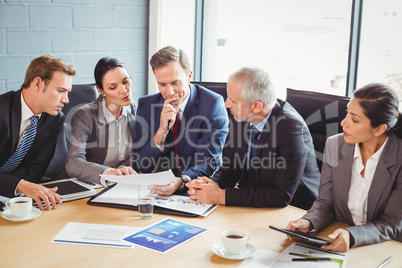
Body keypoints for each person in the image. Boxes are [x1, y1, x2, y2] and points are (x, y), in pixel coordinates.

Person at [286, 83, 402, 252]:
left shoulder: (398, 158)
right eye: (347, 113)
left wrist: (351, 235)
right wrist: (309, 222)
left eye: (354, 119)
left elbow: (391, 223)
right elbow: (325, 203)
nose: (343, 123)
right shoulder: (335, 145)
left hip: (386, 247)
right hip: (339, 241)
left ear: (379, 129)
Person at [187, 66, 320, 209]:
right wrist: (211, 186)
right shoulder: (242, 115)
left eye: (233, 100)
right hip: (253, 201)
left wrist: (221, 196)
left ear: (256, 106)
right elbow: (231, 168)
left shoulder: (291, 129)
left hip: (295, 210)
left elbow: (281, 196)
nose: (226, 104)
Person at [133, 46, 229, 196]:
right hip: (158, 191)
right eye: (162, 85)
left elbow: (210, 161)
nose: (169, 92)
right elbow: (140, 164)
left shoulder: (212, 104)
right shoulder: (146, 105)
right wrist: (161, 133)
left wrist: (181, 181)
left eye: (175, 83)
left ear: (189, 75)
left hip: (196, 188)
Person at [0, 54, 76, 210]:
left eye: (67, 92)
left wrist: (17, 188)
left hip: (13, 197)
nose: (66, 100)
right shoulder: (1, 111)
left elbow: (37, 169)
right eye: (61, 90)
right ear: (37, 83)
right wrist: (19, 185)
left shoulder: (55, 119)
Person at [60, 57, 136, 185]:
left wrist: (122, 169)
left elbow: (132, 153)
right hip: (86, 185)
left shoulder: (132, 107)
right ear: (101, 90)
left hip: (117, 185)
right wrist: (109, 173)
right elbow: (73, 162)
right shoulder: (85, 115)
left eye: (125, 81)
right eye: (113, 87)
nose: (124, 90)